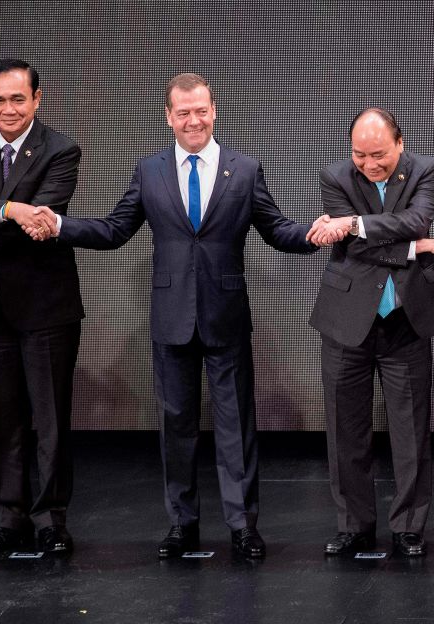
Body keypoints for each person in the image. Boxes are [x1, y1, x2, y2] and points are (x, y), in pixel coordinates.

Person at [34, 73, 322, 559]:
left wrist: (317, 233)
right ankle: (182, 524)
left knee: (236, 428)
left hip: (226, 316)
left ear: (215, 111)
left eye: (202, 110)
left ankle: (243, 527)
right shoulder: (150, 170)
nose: (194, 120)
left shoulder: (245, 169)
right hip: (170, 318)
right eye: (183, 112)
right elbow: (114, 229)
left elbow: (277, 229)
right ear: (169, 117)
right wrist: (60, 224)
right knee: (176, 426)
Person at [305, 108, 434, 557]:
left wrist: (355, 224)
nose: (369, 165)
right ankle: (353, 524)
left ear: (400, 144)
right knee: (344, 430)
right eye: (359, 156)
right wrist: (419, 247)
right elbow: (358, 248)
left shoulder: (426, 168)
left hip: (406, 321)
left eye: (379, 156)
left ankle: (409, 526)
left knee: (411, 431)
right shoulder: (334, 176)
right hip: (345, 321)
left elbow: (415, 220)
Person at [0, 59, 82, 556]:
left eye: (18, 99)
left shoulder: (61, 149)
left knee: (50, 417)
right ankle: (9, 516)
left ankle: (50, 520)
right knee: (0, 417)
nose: (8, 109)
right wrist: (9, 210)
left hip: (45, 305)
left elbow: (47, 217)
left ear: (38, 99)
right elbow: (23, 216)